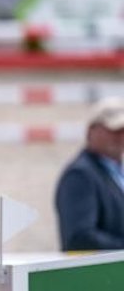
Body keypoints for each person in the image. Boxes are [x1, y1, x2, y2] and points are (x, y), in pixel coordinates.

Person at [54, 97, 124, 251]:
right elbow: (80, 238)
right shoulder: (80, 175)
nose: (120, 136)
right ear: (91, 131)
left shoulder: (116, 171)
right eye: (113, 130)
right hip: (103, 273)